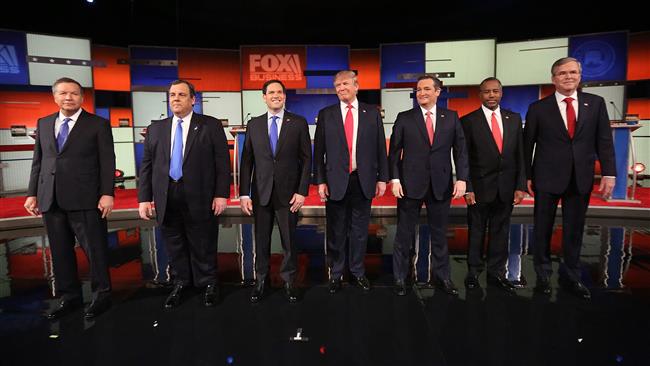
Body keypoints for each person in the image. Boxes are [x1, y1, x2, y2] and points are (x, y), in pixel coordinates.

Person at [523, 57, 616, 299]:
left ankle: (572, 275)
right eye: (562, 73)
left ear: (580, 76)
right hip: (546, 177)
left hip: (581, 177)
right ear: (553, 79)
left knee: (574, 230)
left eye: (573, 72)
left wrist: (609, 172)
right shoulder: (538, 108)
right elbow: (527, 146)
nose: (568, 76)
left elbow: (604, 141)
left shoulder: (595, 104)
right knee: (542, 228)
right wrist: (526, 177)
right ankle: (542, 273)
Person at [25, 77, 115, 319]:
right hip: (50, 198)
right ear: (54, 97)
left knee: (95, 251)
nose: (68, 97)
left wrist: (107, 193)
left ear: (82, 97)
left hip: (86, 198)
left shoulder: (97, 124)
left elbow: (107, 162)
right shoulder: (44, 123)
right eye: (63, 93)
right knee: (60, 252)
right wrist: (32, 193)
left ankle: (101, 295)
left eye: (74, 93)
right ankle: (69, 297)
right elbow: (39, 162)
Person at [138, 79, 230, 308]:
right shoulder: (156, 129)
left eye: (181, 94)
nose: (175, 99)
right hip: (166, 196)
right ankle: (181, 283)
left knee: (203, 242)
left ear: (193, 99)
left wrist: (221, 194)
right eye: (172, 95)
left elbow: (222, 163)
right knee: (174, 243)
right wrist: (144, 198)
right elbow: (147, 165)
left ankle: (208, 283)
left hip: (200, 195)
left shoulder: (210, 125)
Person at [389, 75, 469, 296]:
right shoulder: (405, 118)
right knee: (404, 235)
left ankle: (443, 277)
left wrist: (462, 179)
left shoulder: (451, 117)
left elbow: (461, 151)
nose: (421, 93)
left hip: (441, 185)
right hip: (409, 184)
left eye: (426, 89)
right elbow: (394, 152)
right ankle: (399, 277)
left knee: (440, 235)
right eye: (418, 89)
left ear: (437, 92)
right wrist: (394, 179)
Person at [313, 70, 389, 293]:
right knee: (336, 230)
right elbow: (319, 152)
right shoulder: (326, 114)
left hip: (363, 180)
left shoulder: (371, 113)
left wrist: (382, 178)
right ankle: (336, 273)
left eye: (345, 83)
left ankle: (357, 272)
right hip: (335, 180)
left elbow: (379, 148)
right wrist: (320, 181)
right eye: (337, 85)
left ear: (356, 86)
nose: (341, 88)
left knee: (359, 230)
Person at [239, 79, 312, 303]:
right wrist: (244, 194)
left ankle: (289, 281)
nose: (276, 95)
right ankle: (261, 280)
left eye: (280, 92)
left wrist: (301, 192)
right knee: (261, 240)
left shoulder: (298, 123)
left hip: (288, 194)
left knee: (289, 241)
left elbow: (306, 159)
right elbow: (247, 161)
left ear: (285, 96)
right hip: (260, 193)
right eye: (271, 92)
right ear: (264, 97)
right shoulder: (254, 124)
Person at [460, 77, 526, 294]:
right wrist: (467, 186)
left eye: (495, 91)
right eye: (487, 92)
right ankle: (473, 271)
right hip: (478, 188)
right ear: (480, 94)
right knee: (477, 231)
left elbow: (520, 155)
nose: (491, 95)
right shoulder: (468, 121)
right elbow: (464, 157)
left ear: (501, 93)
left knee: (501, 230)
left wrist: (520, 185)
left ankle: (497, 272)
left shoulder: (514, 119)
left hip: (506, 187)